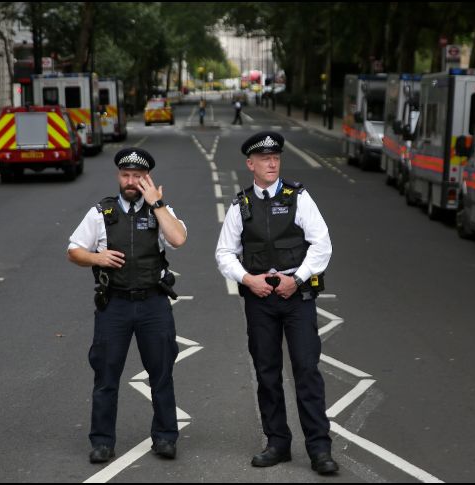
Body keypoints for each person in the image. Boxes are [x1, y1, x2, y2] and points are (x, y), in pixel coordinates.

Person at [215, 131, 339, 475]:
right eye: (265, 158)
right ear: (250, 164)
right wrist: (247, 279)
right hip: (260, 298)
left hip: (296, 296)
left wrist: (296, 279)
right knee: (267, 373)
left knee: (306, 371)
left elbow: (322, 244)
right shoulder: (241, 205)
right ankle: (277, 443)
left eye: (276, 158)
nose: (272, 163)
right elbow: (224, 253)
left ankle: (319, 449)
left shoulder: (298, 197)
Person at [67, 148, 187, 464]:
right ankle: (102, 442)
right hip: (114, 306)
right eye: (126, 175)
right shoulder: (101, 213)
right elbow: (74, 250)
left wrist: (157, 203)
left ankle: (165, 437)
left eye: (137, 176)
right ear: (119, 177)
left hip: (153, 304)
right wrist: (96, 257)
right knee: (106, 376)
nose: (131, 181)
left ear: (146, 178)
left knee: (161, 373)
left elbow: (178, 238)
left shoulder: (160, 210)